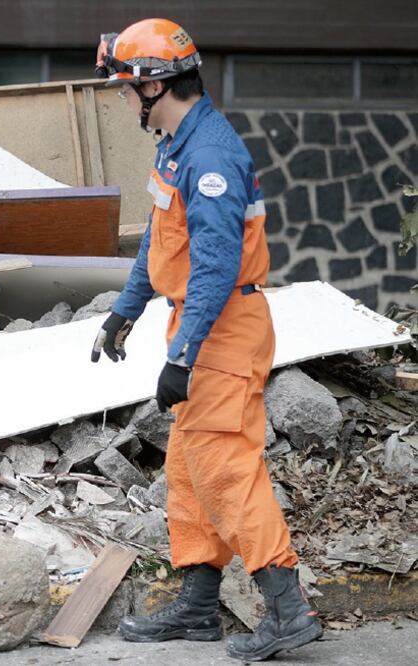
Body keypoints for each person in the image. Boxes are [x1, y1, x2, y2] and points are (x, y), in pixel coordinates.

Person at [90, 18, 323, 662]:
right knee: (190, 467)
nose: (120, 96)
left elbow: (218, 266)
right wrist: (126, 310)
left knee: (225, 463)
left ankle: (287, 606)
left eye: (124, 86)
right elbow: (157, 239)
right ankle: (198, 605)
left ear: (154, 84)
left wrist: (183, 354)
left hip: (221, 328)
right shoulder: (176, 144)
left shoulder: (211, 155)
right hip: (198, 321)